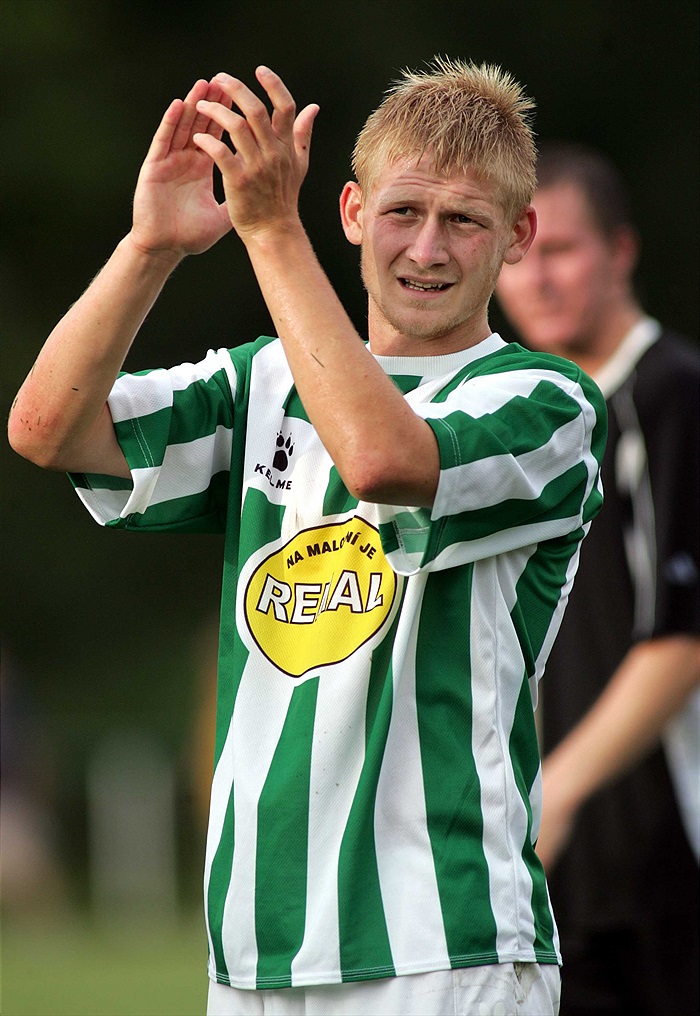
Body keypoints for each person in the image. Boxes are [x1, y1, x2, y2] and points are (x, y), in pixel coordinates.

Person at [8, 60, 607, 1016]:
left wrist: (269, 230)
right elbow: (47, 429)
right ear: (354, 212)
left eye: (465, 221)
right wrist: (150, 247)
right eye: (405, 212)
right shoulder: (264, 384)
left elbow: (383, 460)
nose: (428, 248)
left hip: (442, 949)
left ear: (518, 237)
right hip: (252, 953)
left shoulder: (546, 403)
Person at [496, 141, 700, 1016]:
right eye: (517, 254)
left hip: (666, 866)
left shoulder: (672, 395)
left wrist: (558, 791)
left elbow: (684, 638)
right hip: (559, 878)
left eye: (562, 250)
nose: (536, 279)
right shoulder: (522, 420)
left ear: (620, 252)